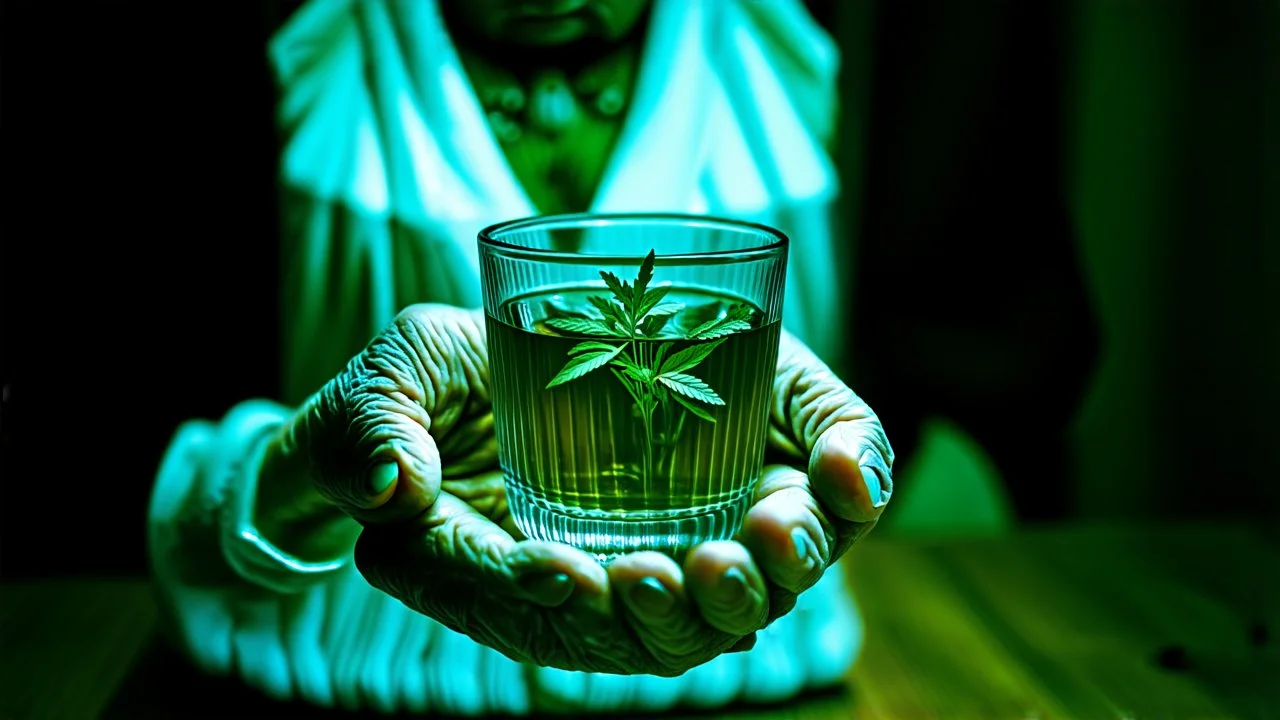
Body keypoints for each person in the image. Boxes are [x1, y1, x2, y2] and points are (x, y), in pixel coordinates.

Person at [148, 0, 894, 714]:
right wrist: (309, 463)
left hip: (764, 684)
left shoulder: (779, 54)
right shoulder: (309, 56)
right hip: (341, 684)